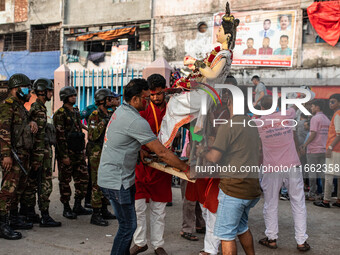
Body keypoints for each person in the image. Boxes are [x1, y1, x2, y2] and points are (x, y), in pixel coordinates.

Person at [98, 79, 189, 255]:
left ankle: (156, 244)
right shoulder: (135, 120)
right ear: (135, 99)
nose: (148, 101)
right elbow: (162, 152)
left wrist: (138, 151)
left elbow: (123, 139)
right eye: (146, 98)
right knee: (128, 227)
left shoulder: (122, 110)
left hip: (114, 176)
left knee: (132, 223)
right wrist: (185, 168)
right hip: (118, 180)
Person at [197, 87, 261, 255]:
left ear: (230, 102)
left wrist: (202, 151)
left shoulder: (229, 125)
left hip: (234, 189)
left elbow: (215, 157)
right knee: (242, 228)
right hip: (251, 188)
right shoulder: (252, 124)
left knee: (226, 235)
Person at [257, 96, 310, 252]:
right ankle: (301, 241)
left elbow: (258, 148)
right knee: (298, 202)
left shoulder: (258, 123)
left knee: (270, 203)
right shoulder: (287, 115)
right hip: (292, 165)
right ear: (277, 106)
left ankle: (272, 238)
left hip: (271, 168)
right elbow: (297, 104)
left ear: (261, 108)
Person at [130, 74, 172, 255]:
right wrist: (139, 149)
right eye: (152, 95)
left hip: (163, 163)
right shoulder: (142, 108)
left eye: (159, 94)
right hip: (141, 164)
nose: (155, 98)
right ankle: (140, 242)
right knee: (138, 207)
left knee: (159, 209)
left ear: (165, 91)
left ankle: (158, 244)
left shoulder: (173, 108)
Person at [0, 73, 38, 239]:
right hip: (12, 156)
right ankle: (1, 224)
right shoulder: (7, 105)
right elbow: (3, 131)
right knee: (8, 190)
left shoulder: (19, 106)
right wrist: (6, 155)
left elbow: (22, 124)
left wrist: (31, 121)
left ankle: (13, 219)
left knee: (18, 189)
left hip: (22, 154)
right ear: (16, 88)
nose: (28, 91)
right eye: (26, 88)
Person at [20, 78, 62, 227]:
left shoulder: (40, 108)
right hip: (40, 155)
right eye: (50, 90)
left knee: (32, 185)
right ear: (43, 91)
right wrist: (37, 159)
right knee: (44, 185)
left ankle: (29, 213)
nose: (52, 93)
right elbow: (38, 137)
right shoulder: (38, 110)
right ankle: (44, 216)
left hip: (40, 154)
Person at [53, 86, 92, 220]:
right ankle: (66, 208)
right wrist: (64, 156)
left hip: (78, 152)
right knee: (65, 181)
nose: (74, 97)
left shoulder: (75, 111)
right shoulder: (60, 113)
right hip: (67, 153)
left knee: (83, 179)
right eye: (71, 96)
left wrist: (86, 130)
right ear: (65, 97)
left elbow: (78, 126)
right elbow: (60, 136)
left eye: (75, 95)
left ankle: (77, 205)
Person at [87, 88, 118, 226]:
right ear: (103, 101)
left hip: (107, 152)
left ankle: (104, 209)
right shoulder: (95, 115)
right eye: (109, 99)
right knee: (96, 184)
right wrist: (104, 122)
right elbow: (92, 135)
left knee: (106, 182)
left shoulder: (111, 113)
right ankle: (96, 214)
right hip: (96, 154)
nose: (111, 101)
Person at [314, 94, 340, 208]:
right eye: (330, 102)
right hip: (338, 150)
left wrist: (330, 147)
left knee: (329, 175)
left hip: (334, 149)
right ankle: (338, 200)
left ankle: (326, 200)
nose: (330, 104)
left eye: (333, 102)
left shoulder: (337, 115)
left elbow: (338, 134)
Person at [301, 100, 330, 201]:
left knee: (312, 172)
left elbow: (313, 133)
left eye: (312, 106)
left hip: (313, 149)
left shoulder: (315, 118)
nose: (311, 108)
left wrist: (304, 145)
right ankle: (324, 193)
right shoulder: (327, 119)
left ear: (317, 107)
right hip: (323, 149)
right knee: (322, 173)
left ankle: (312, 193)